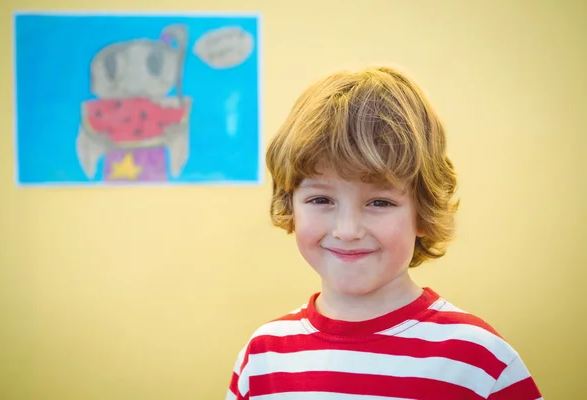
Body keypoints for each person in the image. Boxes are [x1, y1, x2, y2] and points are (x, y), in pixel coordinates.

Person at [225, 66, 542, 400]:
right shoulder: (263, 358)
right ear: (291, 206)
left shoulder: (479, 361)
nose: (347, 231)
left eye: (379, 201)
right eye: (321, 199)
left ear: (423, 211)